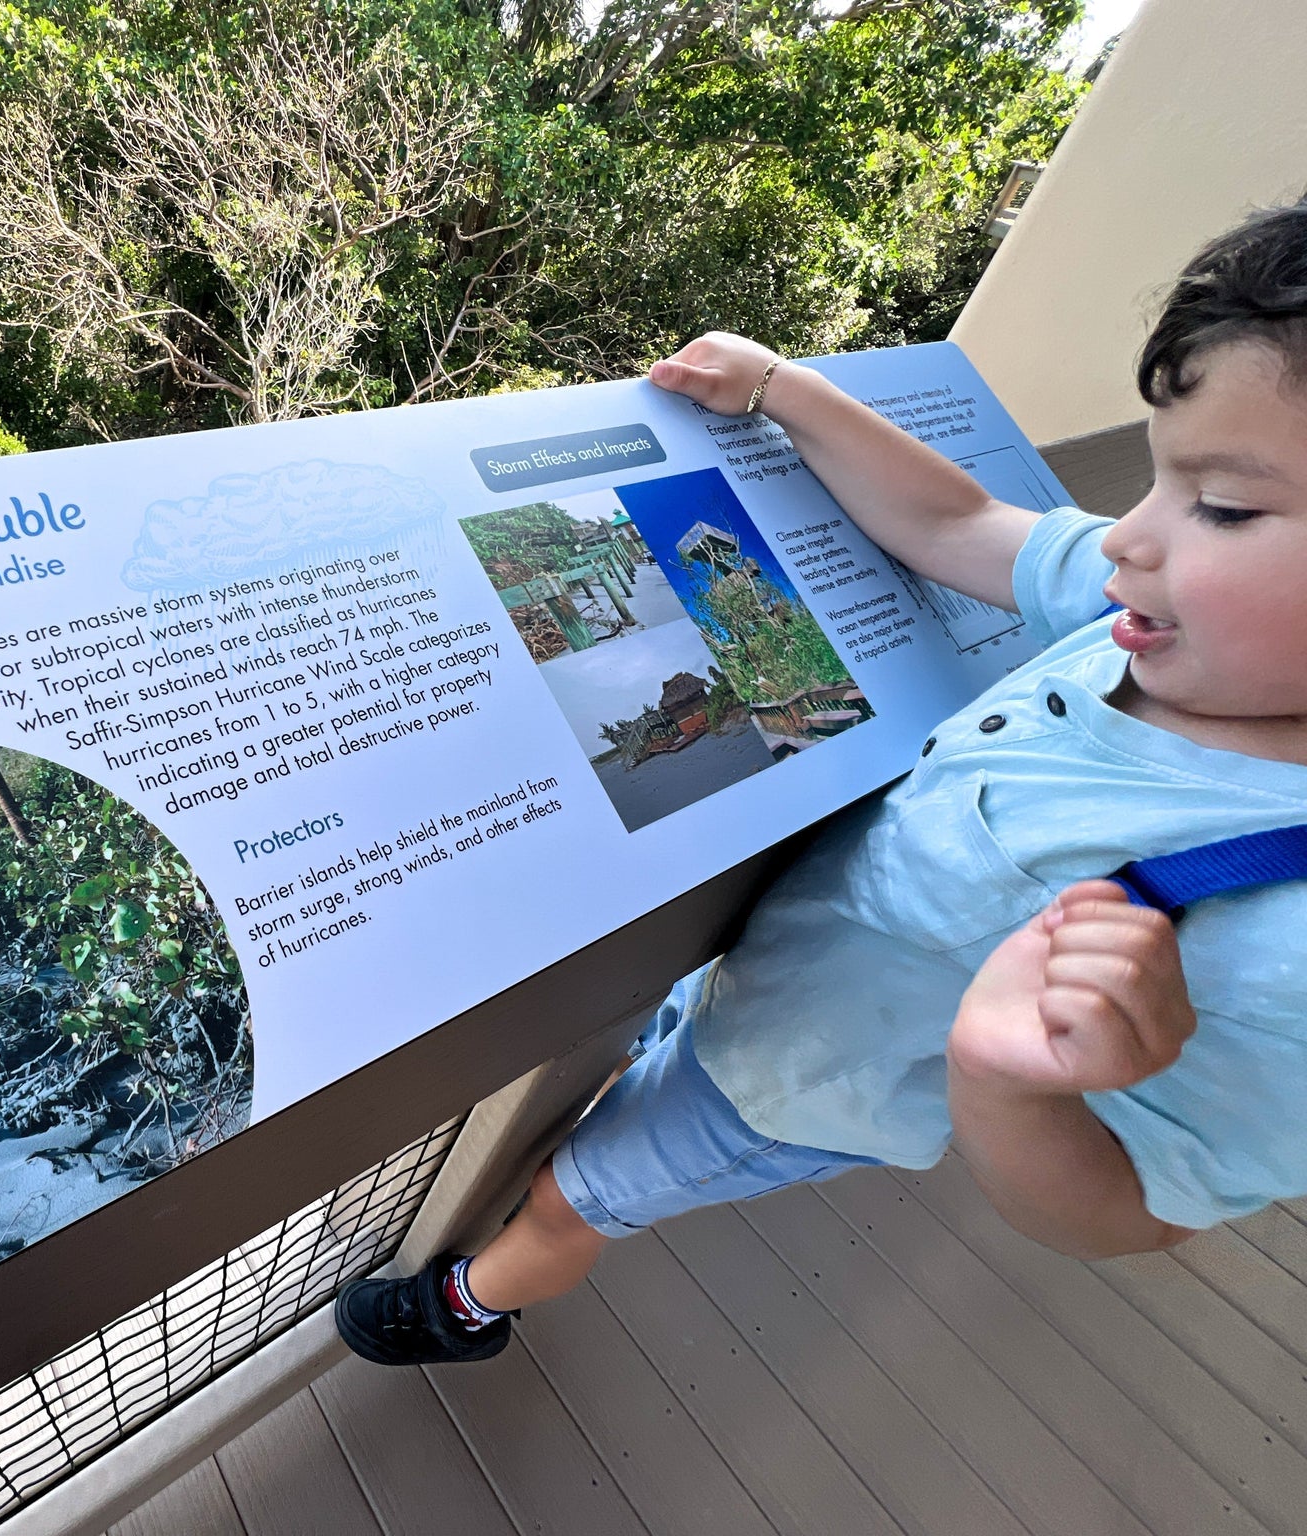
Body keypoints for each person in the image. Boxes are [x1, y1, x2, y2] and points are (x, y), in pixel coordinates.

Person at [338, 200, 1307, 1367]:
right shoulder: (1133, 619)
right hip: (741, 959)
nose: (1121, 540)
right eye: (1155, 479)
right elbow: (958, 521)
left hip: (792, 1085)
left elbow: (1129, 1213)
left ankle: (460, 1309)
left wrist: (1004, 1083)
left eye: (1222, 505)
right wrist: (780, 389)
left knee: (567, 1194)